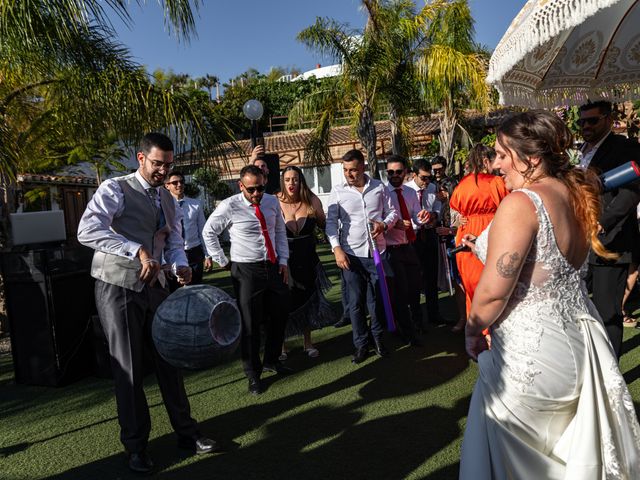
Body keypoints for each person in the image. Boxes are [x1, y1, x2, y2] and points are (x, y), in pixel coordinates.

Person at [459, 110, 640, 479]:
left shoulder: (521, 203)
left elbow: (494, 293)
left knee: (522, 463)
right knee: (564, 452)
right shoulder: (573, 193)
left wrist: (472, 330)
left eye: (503, 155)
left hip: (531, 357)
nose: (495, 164)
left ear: (533, 158)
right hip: (578, 343)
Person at [77, 133, 217, 475]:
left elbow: (173, 241)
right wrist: (134, 249)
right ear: (141, 158)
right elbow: (87, 230)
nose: (163, 171)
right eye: (158, 164)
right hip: (117, 286)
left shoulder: (168, 199)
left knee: (170, 360)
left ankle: (187, 432)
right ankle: (136, 448)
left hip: (156, 286)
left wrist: (179, 264)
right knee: (129, 368)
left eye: (169, 165)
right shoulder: (114, 188)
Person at [202, 165, 291, 395]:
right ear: (241, 186)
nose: (256, 194)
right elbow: (208, 232)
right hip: (246, 269)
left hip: (272, 266)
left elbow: (280, 231)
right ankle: (253, 374)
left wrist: (283, 261)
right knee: (250, 324)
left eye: (260, 188)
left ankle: (272, 360)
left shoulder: (271, 201)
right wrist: (222, 260)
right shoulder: (229, 205)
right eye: (251, 189)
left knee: (280, 314)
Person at [578, 100, 640, 357]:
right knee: (582, 308)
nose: (586, 127)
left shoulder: (625, 147)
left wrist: (605, 222)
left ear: (608, 119)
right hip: (581, 241)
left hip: (611, 241)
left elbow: (631, 192)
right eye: (581, 122)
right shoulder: (582, 150)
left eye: (592, 121)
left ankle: (610, 374)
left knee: (608, 312)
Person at [326, 149, 397, 364]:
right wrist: (336, 249)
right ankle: (360, 344)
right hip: (350, 254)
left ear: (363, 168)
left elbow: (393, 213)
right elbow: (330, 223)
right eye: (345, 170)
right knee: (355, 303)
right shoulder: (337, 191)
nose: (349, 174)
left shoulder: (379, 187)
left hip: (377, 252)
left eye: (353, 170)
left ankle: (377, 339)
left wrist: (384, 224)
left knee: (375, 300)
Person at [277, 165, 335, 358]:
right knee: (283, 302)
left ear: (300, 180)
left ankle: (308, 343)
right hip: (284, 261)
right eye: (287, 179)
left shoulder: (312, 200)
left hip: (308, 259)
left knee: (308, 299)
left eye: (295, 179)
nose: (291, 183)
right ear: (282, 182)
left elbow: (326, 225)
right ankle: (282, 346)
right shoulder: (274, 201)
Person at [449, 144, 508, 330]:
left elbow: (455, 209)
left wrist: (461, 218)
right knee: (491, 284)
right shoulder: (495, 182)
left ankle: (475, 326)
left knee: (471, 285)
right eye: (493, 161)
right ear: (485, 161)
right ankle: (490, 330)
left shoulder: (462, 185)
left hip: (464, 236)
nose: (497, 165)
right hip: (488, 233)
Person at [384, 155, 428, 346]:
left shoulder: (409, 193)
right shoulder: (382, 193)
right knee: (400, 292)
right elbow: (378, 220)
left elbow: (416, 218)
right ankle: (408, 333)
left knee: (415, 288)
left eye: (398, 171)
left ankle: (417, 324)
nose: (394, 175)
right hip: (391, 249)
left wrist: (422, 217)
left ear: (405, 173)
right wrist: (394, 224)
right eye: (390, 172)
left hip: (409, 245)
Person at [406, 158, 442, 327]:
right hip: (412, 237)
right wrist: (417, 222)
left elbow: (436, 209)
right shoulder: (406, 190)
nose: (427, 181)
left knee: (431, 276)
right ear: (414, 175)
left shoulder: (432, 188)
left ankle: (434, 315)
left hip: (429, 236)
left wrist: (434, 216)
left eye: (429, 177)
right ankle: (416, 319)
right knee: (414, 279)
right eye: (424, 178)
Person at [164, 170, 211, 290]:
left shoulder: (195, 204)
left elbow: (202, 230)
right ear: (167, 185)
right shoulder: (163, 206)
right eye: (175, 182)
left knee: (195, 290)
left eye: (181, 182)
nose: (179, 185)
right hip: (172, 254)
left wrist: (207, 255)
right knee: (175, 291)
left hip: (194, 253)